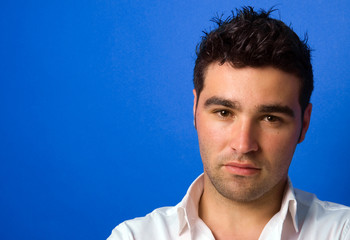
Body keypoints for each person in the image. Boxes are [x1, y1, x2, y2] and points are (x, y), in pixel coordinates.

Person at [108, 6, 350, 240]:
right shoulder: (134, 237)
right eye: (224, 113)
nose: (243, 145)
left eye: (270, 118)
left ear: (304, 124)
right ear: (195, 111)